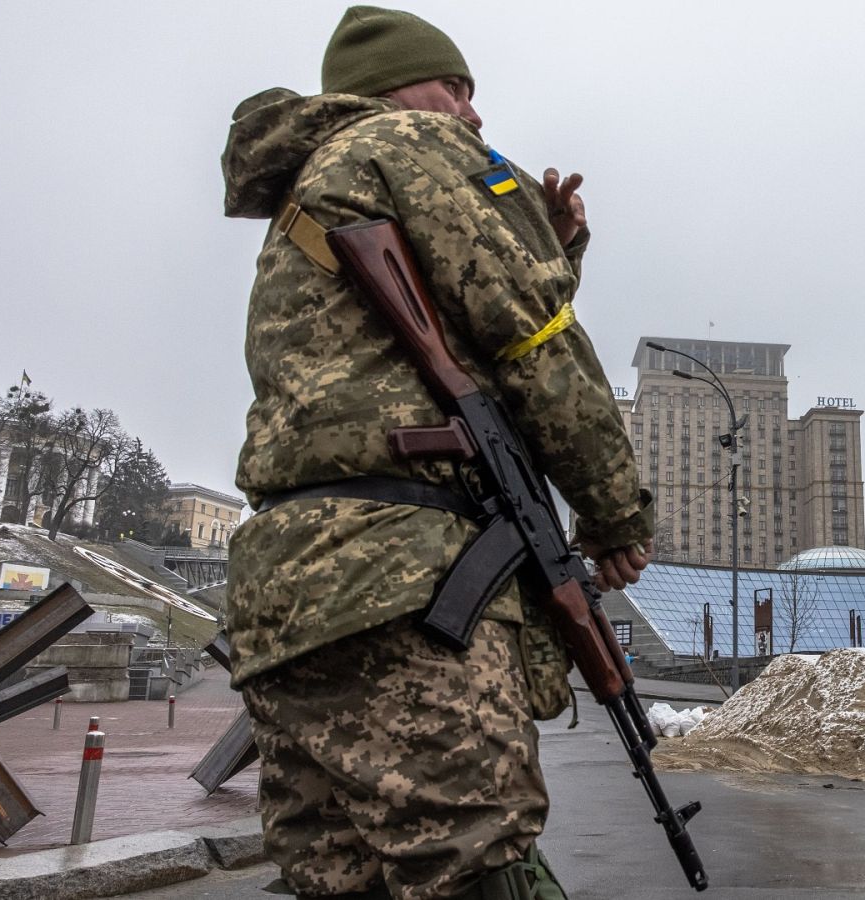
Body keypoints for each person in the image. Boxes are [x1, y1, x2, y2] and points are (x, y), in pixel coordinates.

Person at [220, 7, 653, 898]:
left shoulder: (309, 187)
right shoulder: (409, 141)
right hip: (407, 581)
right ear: (393, 89)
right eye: (455, 85)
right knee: (471, 869)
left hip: (285, 599)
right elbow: (533, 340)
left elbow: (433, 340)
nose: (473, 114)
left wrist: (556, 249)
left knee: (339, 877)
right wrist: (614, 513)